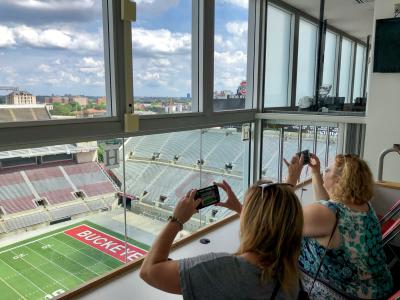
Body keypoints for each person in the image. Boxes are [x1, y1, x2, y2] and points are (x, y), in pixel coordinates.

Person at [140, 181, 303, 299]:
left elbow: (149, 271)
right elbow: (273, 227)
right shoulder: (289, 270)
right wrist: (240, 209)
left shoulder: (223, 269)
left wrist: (176, 220)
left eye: (246, 207)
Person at [284, 153, 393, 299]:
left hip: (345, 294)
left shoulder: (326, 213)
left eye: (327, 170)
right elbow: (327, 208)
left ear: (340, 180)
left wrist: (291, 180)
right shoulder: (364, 206)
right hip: (379, 288)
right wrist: (316, 173)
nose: (324, 172)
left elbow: (279, 219)